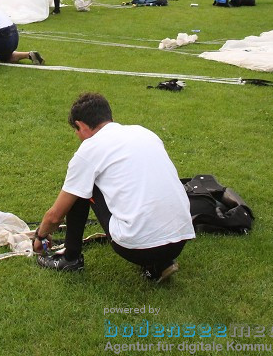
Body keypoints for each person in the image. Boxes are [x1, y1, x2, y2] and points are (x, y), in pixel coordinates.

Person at [32, 92, 194, 283]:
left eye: (76, 130)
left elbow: (55, 216)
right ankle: (160, 263)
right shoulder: (144, 132)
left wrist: (40, 235)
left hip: (138, 247)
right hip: (180, 239)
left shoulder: (90, 149)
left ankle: (71, 258)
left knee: (81, 187)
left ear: (81, 126)